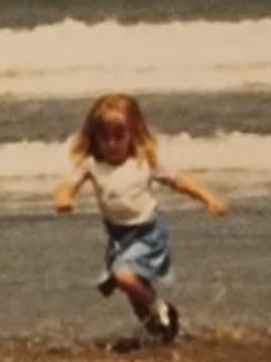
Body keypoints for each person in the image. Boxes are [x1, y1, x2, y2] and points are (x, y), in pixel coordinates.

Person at [53, 92, 226, 344]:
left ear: (133, 133)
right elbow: (67, 185)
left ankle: (161, 307)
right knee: (135, 296)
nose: (112, 144)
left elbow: (179, 181)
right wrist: (64, 198)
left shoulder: (144, 162)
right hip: (118, 236)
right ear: (94, 137)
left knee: (125, 278)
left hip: (147, 232)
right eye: (105, 137)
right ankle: (160, 332)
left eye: (119, 136)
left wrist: (208, 198)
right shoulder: (91, 164)